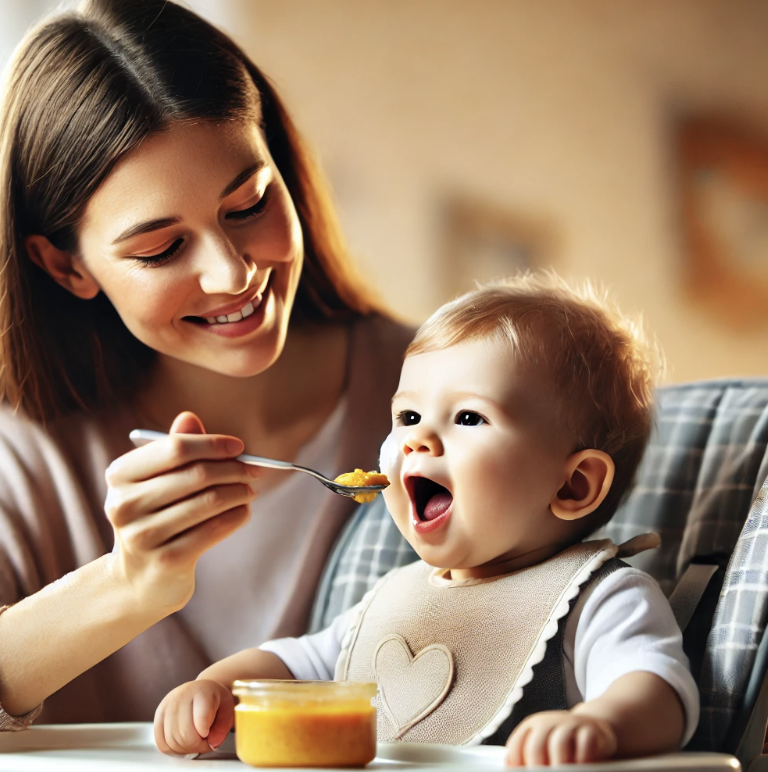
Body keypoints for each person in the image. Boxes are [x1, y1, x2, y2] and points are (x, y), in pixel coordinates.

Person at [0, 0, 413, 730]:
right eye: (161, 249)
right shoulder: (24, 452)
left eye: (249, 204)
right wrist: (130, 585)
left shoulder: (436, 386)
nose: (233, 275)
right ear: (66, 268)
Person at [155, 273, 699, 767]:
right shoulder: (392, 599)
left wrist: (601, 725)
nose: (417, 438)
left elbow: (657, 688)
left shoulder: (598, 599)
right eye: (408, 416)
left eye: (468, 417)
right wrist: (218, 690)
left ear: (572, 485)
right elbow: (294, 666)